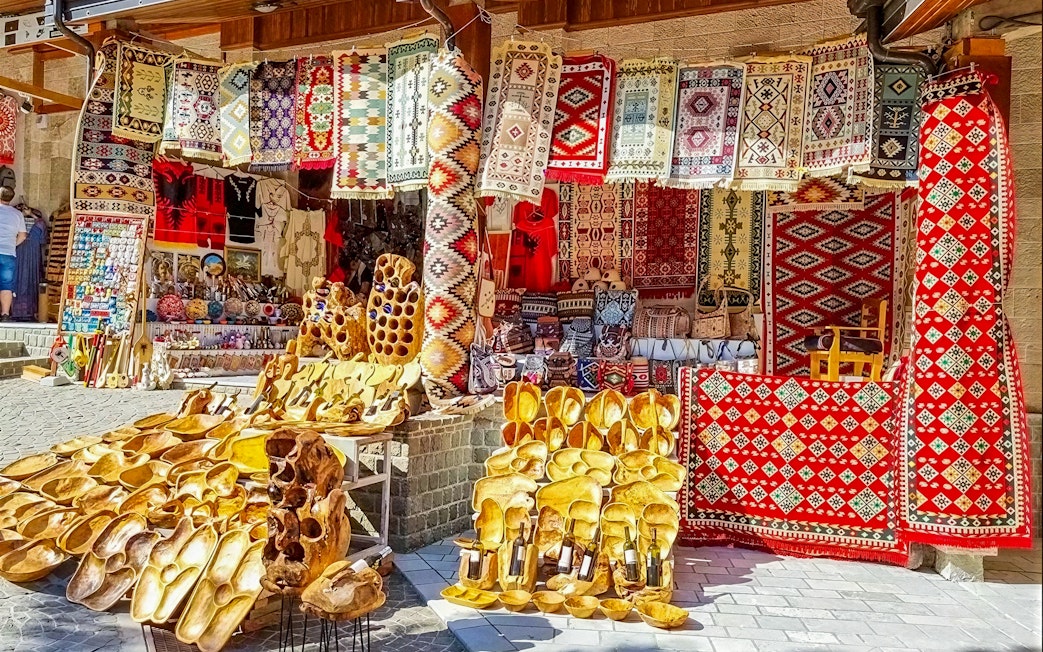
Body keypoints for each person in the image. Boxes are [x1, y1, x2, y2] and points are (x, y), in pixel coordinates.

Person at [0, 186, 27, 321]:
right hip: (8, 253)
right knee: (6, 284)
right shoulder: (17, 214)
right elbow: (22, 236)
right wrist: (12, 245)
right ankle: (5, 314)